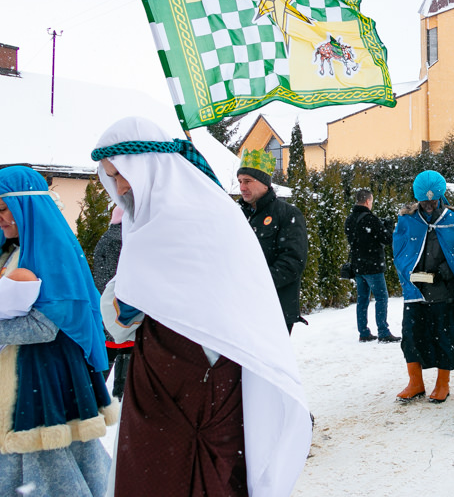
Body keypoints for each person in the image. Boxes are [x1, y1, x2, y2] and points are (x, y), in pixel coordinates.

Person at [92, 117, 311, 497]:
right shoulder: (138, 222)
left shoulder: (209, 219)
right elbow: (119, 315)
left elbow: (228, 294)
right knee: (149, 474)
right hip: (155, 379)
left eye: (124, 173)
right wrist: (130, 301)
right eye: (111, 177)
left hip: (205, 378)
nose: (120, 186)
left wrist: (153, 298)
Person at [0, 165, 117, 497]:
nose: (0, 219)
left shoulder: (53, 252)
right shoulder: (13, 251)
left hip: (44, 377)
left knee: (49, 467)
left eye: (4, 209)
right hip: (25, 377)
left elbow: (46, 326)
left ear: (25, 205)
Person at [392, 170, 454, 403]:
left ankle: (442, 384)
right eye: (424, 201)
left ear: (440, 196)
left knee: (444, 337)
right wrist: (409, 273)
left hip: (443, 290)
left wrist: (447, 271)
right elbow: (399, 252)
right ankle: (415, 383)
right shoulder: (407, 219)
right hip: (415, 291)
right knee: (411, 337)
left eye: (432, 201)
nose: (428, 206)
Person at [237, 149, 309, 333]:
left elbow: (292, 263)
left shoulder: (287, 214)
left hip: (275, 309)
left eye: (247, 181)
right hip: (239, 308)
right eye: (240, 182)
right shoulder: (235, 214)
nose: (242, 187)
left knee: (267, 362)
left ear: (264, 183)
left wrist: (255, 282)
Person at [345, 189, 400, 343]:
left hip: (358, 266)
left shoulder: (350, 219)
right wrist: (388, 226)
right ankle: (383, 332)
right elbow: (387, 239)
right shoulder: (371, 220)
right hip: (373, 266)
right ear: (368, 201)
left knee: (362, 299)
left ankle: (363, 332)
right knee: (382, 298)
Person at [92, 205, 134, 400]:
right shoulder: (120, 240)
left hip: (110, 307)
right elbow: (113, 277)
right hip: (116, 307)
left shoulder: (111, 238)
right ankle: (110, 396)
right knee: (115, 350)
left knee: (114, 351)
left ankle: (106, 396)